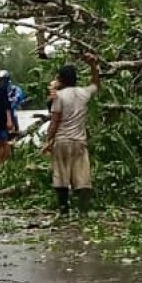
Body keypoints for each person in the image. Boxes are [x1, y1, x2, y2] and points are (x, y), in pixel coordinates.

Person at [43, 55, 100, 216]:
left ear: (61, 79)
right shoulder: (83, 93)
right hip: (79, 142)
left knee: (61, 176)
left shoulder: (59, 97)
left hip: (61, 141)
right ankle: (83, 211)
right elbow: (96, 84)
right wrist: (93, 66)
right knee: (82, 176)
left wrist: (48, 140)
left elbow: (54, 121)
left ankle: (64, 210)